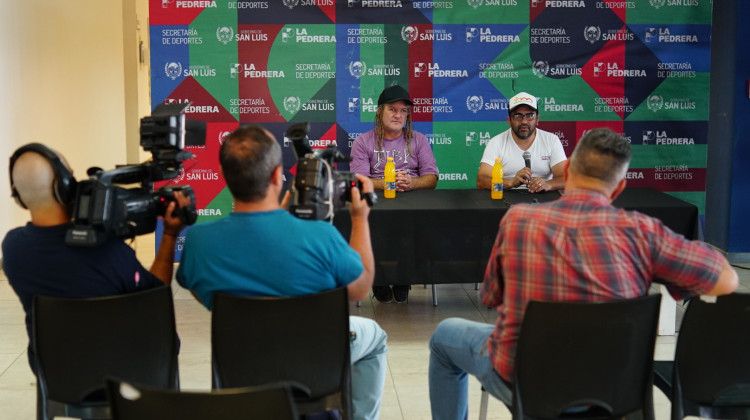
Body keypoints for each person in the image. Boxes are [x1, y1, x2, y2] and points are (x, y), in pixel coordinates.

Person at [429, 128, 739, 420]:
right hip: (613, 385)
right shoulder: (644, 231)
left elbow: (491, 297)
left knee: (445, 336)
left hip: (528, 382)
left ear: (569, 173)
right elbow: (727, 281)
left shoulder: (518, 219)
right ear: (619, 187)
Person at [176, 125, 388, 420]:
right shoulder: (320, 236)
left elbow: (207, 296)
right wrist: (359, 218)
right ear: (278, 176)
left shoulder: (198, 244)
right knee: (375, 338)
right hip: (315, 370)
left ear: (226, 178)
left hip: (243, 371)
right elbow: (361, 287)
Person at [3, 143, 190, 374]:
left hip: (55, 372)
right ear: (63, 186)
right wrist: (170, 235)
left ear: (19, 197)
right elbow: (156, 295)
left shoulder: (12, 248)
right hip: (125, 371)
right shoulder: (107, 250)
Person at [350, 84, 439, 303]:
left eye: (403, 111)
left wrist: (413, 183)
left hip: (412, 201)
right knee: (374, 226)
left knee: (413, 225)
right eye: (392, 109)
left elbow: (432, 178)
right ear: (380, 111)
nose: (398, 115)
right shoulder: (363, 141)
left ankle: (403, 279)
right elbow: (359, 180)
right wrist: (386, 183)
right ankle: (378, 279)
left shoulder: (418, 139)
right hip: (377, 202)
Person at [476, 91, 567, 193]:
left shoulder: (551, 140)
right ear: (509, 120)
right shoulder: (496, 142)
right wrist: (510, 183)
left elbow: (566, 179)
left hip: (543, 200)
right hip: (506, 200)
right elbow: (481, 182)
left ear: (537, 119)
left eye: (529, 115)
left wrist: (547, 184)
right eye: (518, 116)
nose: (524, 121)